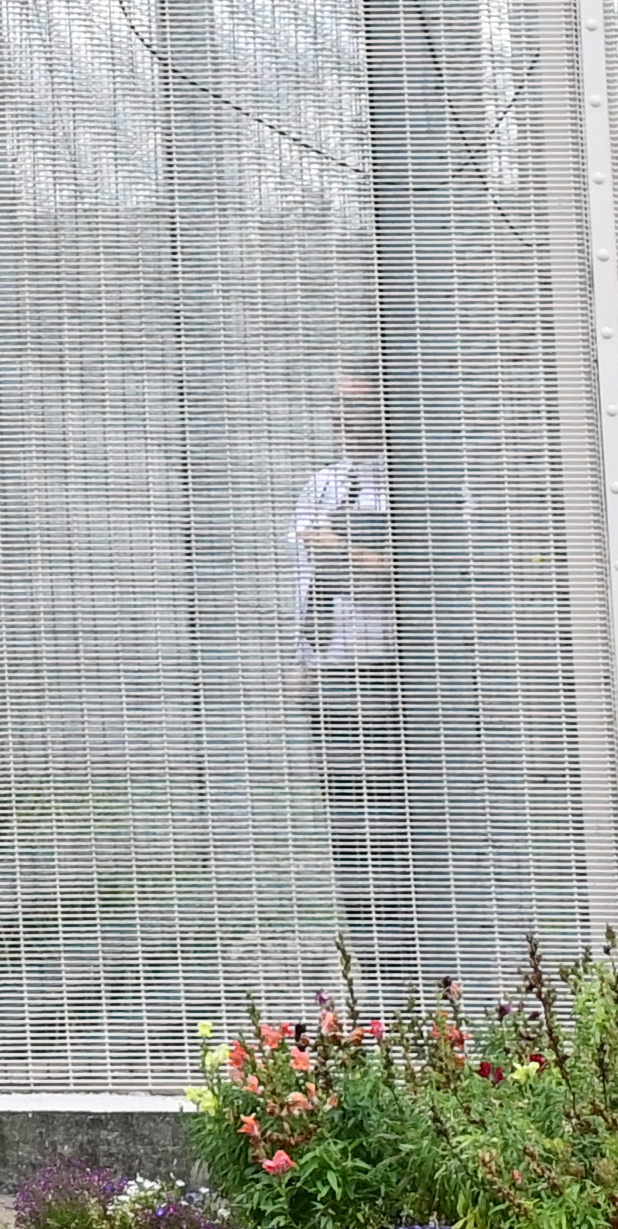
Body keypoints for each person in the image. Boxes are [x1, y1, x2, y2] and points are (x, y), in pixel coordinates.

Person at [290, 366, 415, 1002]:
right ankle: (373, 963)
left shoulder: (419, 485)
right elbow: (307, 584)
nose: (340, 417)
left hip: (398, 678)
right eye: (334, 404)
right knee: (352, 827)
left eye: (354, 405)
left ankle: (413, 956)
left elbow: (409, 576)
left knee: (402, 823)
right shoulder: (324, 486)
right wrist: (303, 662)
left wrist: (347, 552)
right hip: (336, 677)